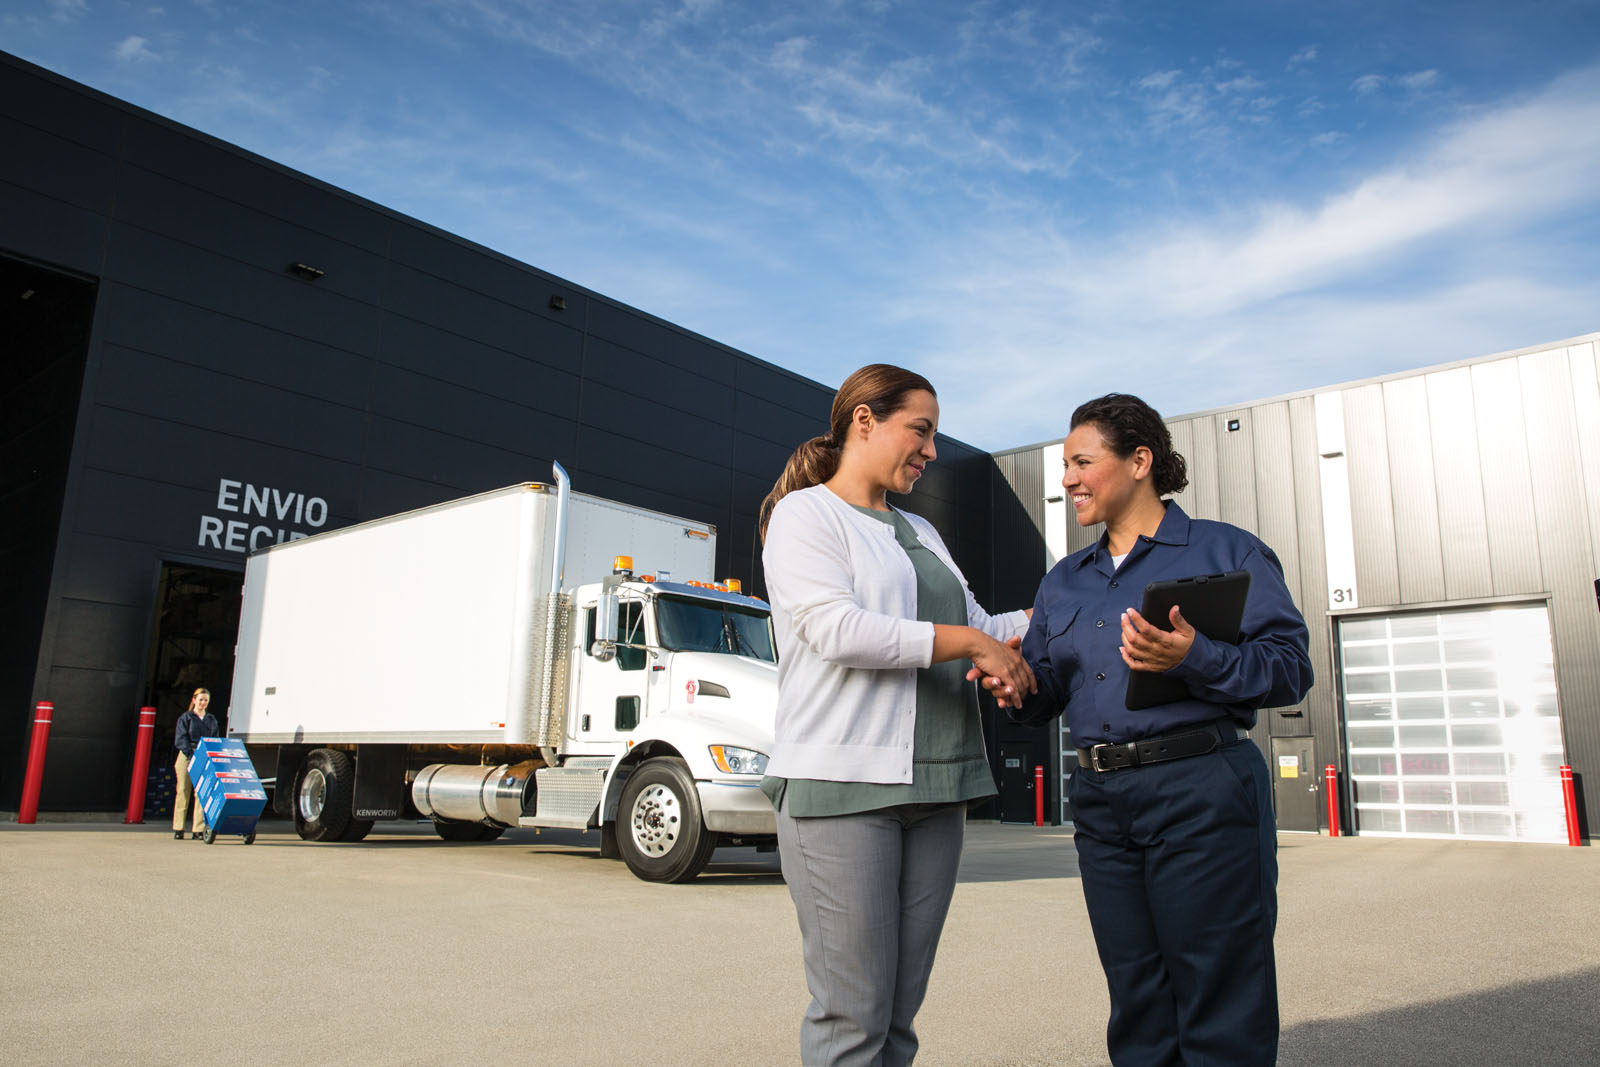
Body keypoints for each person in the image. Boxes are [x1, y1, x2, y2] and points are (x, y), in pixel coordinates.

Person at [979, 393, 1313, 1066]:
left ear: (1139, 460)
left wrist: (1196, 656)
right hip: (1102, 804)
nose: (1067, 478)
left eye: (1081, 461)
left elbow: (1289, 668)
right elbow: (1044, 690)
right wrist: (1018, 686)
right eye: (1064, 464)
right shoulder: (1064, 582)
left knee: (1220, 995)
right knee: (1137, 998)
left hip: (1202, 791)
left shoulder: (1229, 550)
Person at [759, 363, 1036, 1067]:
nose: (932, 450)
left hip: (936, 789)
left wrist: (1064, 608)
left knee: (899, 1016)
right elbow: (838, 629)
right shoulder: (805, 516)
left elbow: (983, 624)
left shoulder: (920, 530)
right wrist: (971, 642)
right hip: (840, 789)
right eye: (921, 429)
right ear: (864, 421)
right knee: (852, 1017)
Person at [172, 687, 219, 840]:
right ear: (194, 700)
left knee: (200, 792)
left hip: (203, 756)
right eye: (200, 700)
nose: (203, 703)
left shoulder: (211, 720)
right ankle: (178, 827)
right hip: (186, 755)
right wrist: (192, 754)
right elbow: (180, 739)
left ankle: (197, 829)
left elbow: (214, 739)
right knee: (183, 790)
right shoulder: (186, 718)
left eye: (206, 700)